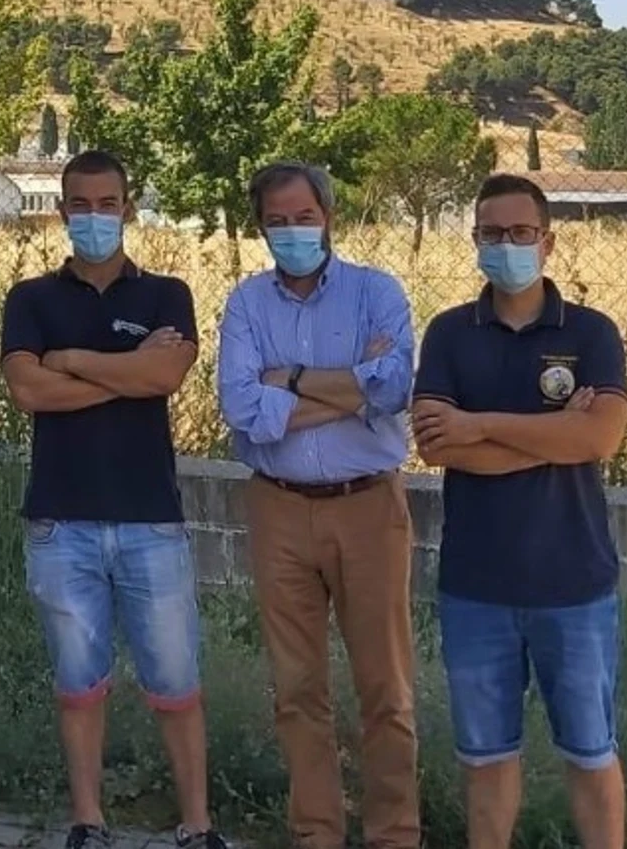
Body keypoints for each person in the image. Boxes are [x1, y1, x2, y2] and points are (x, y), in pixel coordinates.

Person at [0, 151, 228, 849]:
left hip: (149, 520)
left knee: (176, 680)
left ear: (128, 208)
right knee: (78, 682)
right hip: (60, 521)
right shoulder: (30, 299)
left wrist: (70, 359)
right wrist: (130, 374)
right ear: (62, 210)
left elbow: (168, 373)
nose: (94, 215)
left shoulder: (167, 293)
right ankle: (88, 822)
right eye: (81, 203)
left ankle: (196, 825)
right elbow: (28, 390)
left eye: (108, 202)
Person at [411, 173, 627, 849]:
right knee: (485, 760)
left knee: (591, 755)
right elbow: (438, 445)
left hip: (575, 586)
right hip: (476, 589)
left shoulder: (591, 332)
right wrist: (549, 435)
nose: (506, 244)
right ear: (474, 239)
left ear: (549, 241)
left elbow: (598, 437)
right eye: (492, 233)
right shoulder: (449, 333)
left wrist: (480, 425)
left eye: (520, 232)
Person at [215, 162, 420, 849]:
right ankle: (316, 832)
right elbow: (244, 408)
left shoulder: (375, 292)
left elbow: (393, 389)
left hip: (368, 507)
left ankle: (393, 833)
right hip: (278, 508)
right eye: (277, 220)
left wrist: (292, 379)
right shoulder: (247, 303)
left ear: (329, 217)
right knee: (298, 689)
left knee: (384, 686)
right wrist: (348, 388)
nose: (292, 230)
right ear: (261, 226)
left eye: (304, 217)